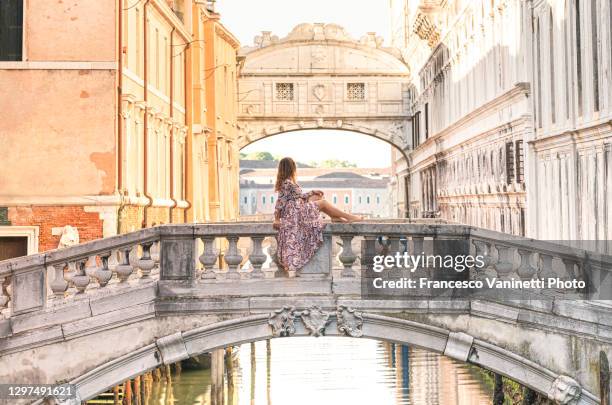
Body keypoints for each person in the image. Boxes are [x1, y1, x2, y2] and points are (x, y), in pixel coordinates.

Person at [273, 157, 361, 272]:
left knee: (319, 197)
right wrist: (276, 219)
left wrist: (312, 192)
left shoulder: (288, 181)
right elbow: (280, 202)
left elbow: (298, 197)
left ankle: (335, 217)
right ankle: (348, 217)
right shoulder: (287, 182)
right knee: (323, 202)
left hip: (297, 209)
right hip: (296, 213)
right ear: (291, 167)